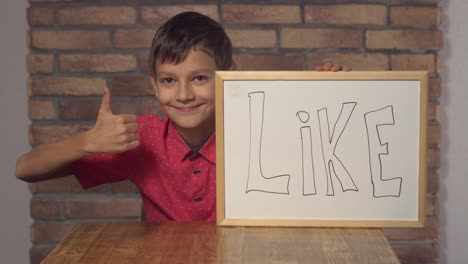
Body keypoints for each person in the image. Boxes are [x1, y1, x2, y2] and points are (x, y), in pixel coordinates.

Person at [16, 12, 350, 222]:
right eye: (169, 81)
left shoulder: (258, 129)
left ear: (226, 76)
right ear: (154, 84)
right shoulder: (142, 139)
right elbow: (25, 169)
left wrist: (329, 95)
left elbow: (328, 154)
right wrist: (87, 142)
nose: (184, 94)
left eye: (200, 78)